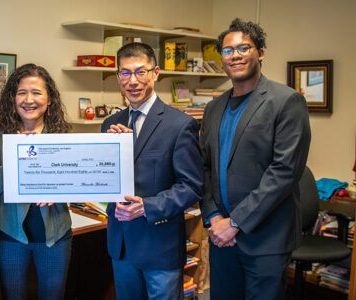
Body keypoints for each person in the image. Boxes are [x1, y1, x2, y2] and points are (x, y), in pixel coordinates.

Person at [199, 18, 311, 300]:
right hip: (221, 237)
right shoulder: (213, 108)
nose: (235, 55)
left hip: (265, 239)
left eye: (243, 48)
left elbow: (283, 172)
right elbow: (204, 168)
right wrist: (213, 217)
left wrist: (234, 223)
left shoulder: (286, 102)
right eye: (227, 51)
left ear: (260, 52)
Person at [101, 43, 203, 300]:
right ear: (118, 77)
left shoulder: (180, 125)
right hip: (121, 245)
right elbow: (105, 177)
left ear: (155, 73)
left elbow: (192, 186)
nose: (132, 81)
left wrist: (147, 206)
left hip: (159, 247)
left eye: (140, 72)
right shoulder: (110, 124)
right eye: (125, 73)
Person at [0, 63, 72, 300]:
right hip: (11, 236)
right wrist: (17, 155)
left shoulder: (60, 134)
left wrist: (60, 191)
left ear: (49, 98)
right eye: (21, 92)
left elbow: (72, 182)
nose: (28, 99)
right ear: (12, 98)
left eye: (36, 92)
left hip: (55, 235)